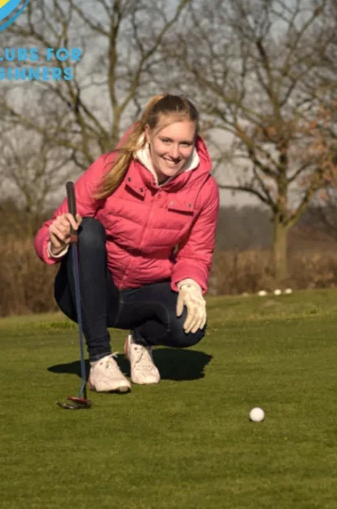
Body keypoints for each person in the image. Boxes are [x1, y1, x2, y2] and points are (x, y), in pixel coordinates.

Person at [34, 94, 219, 393]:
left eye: (184, 143)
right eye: (166, 141)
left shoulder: (204, 189)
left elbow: (196, 251)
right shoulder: (112, 165)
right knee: (88, 228)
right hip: (90, 293)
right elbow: (52, 228)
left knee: (190, 329)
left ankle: (139, 342)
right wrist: (56, 241)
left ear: (194, 141)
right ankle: (99, 359)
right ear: (148, 134)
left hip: (144, 293)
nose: (175, 153)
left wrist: (190, 283)